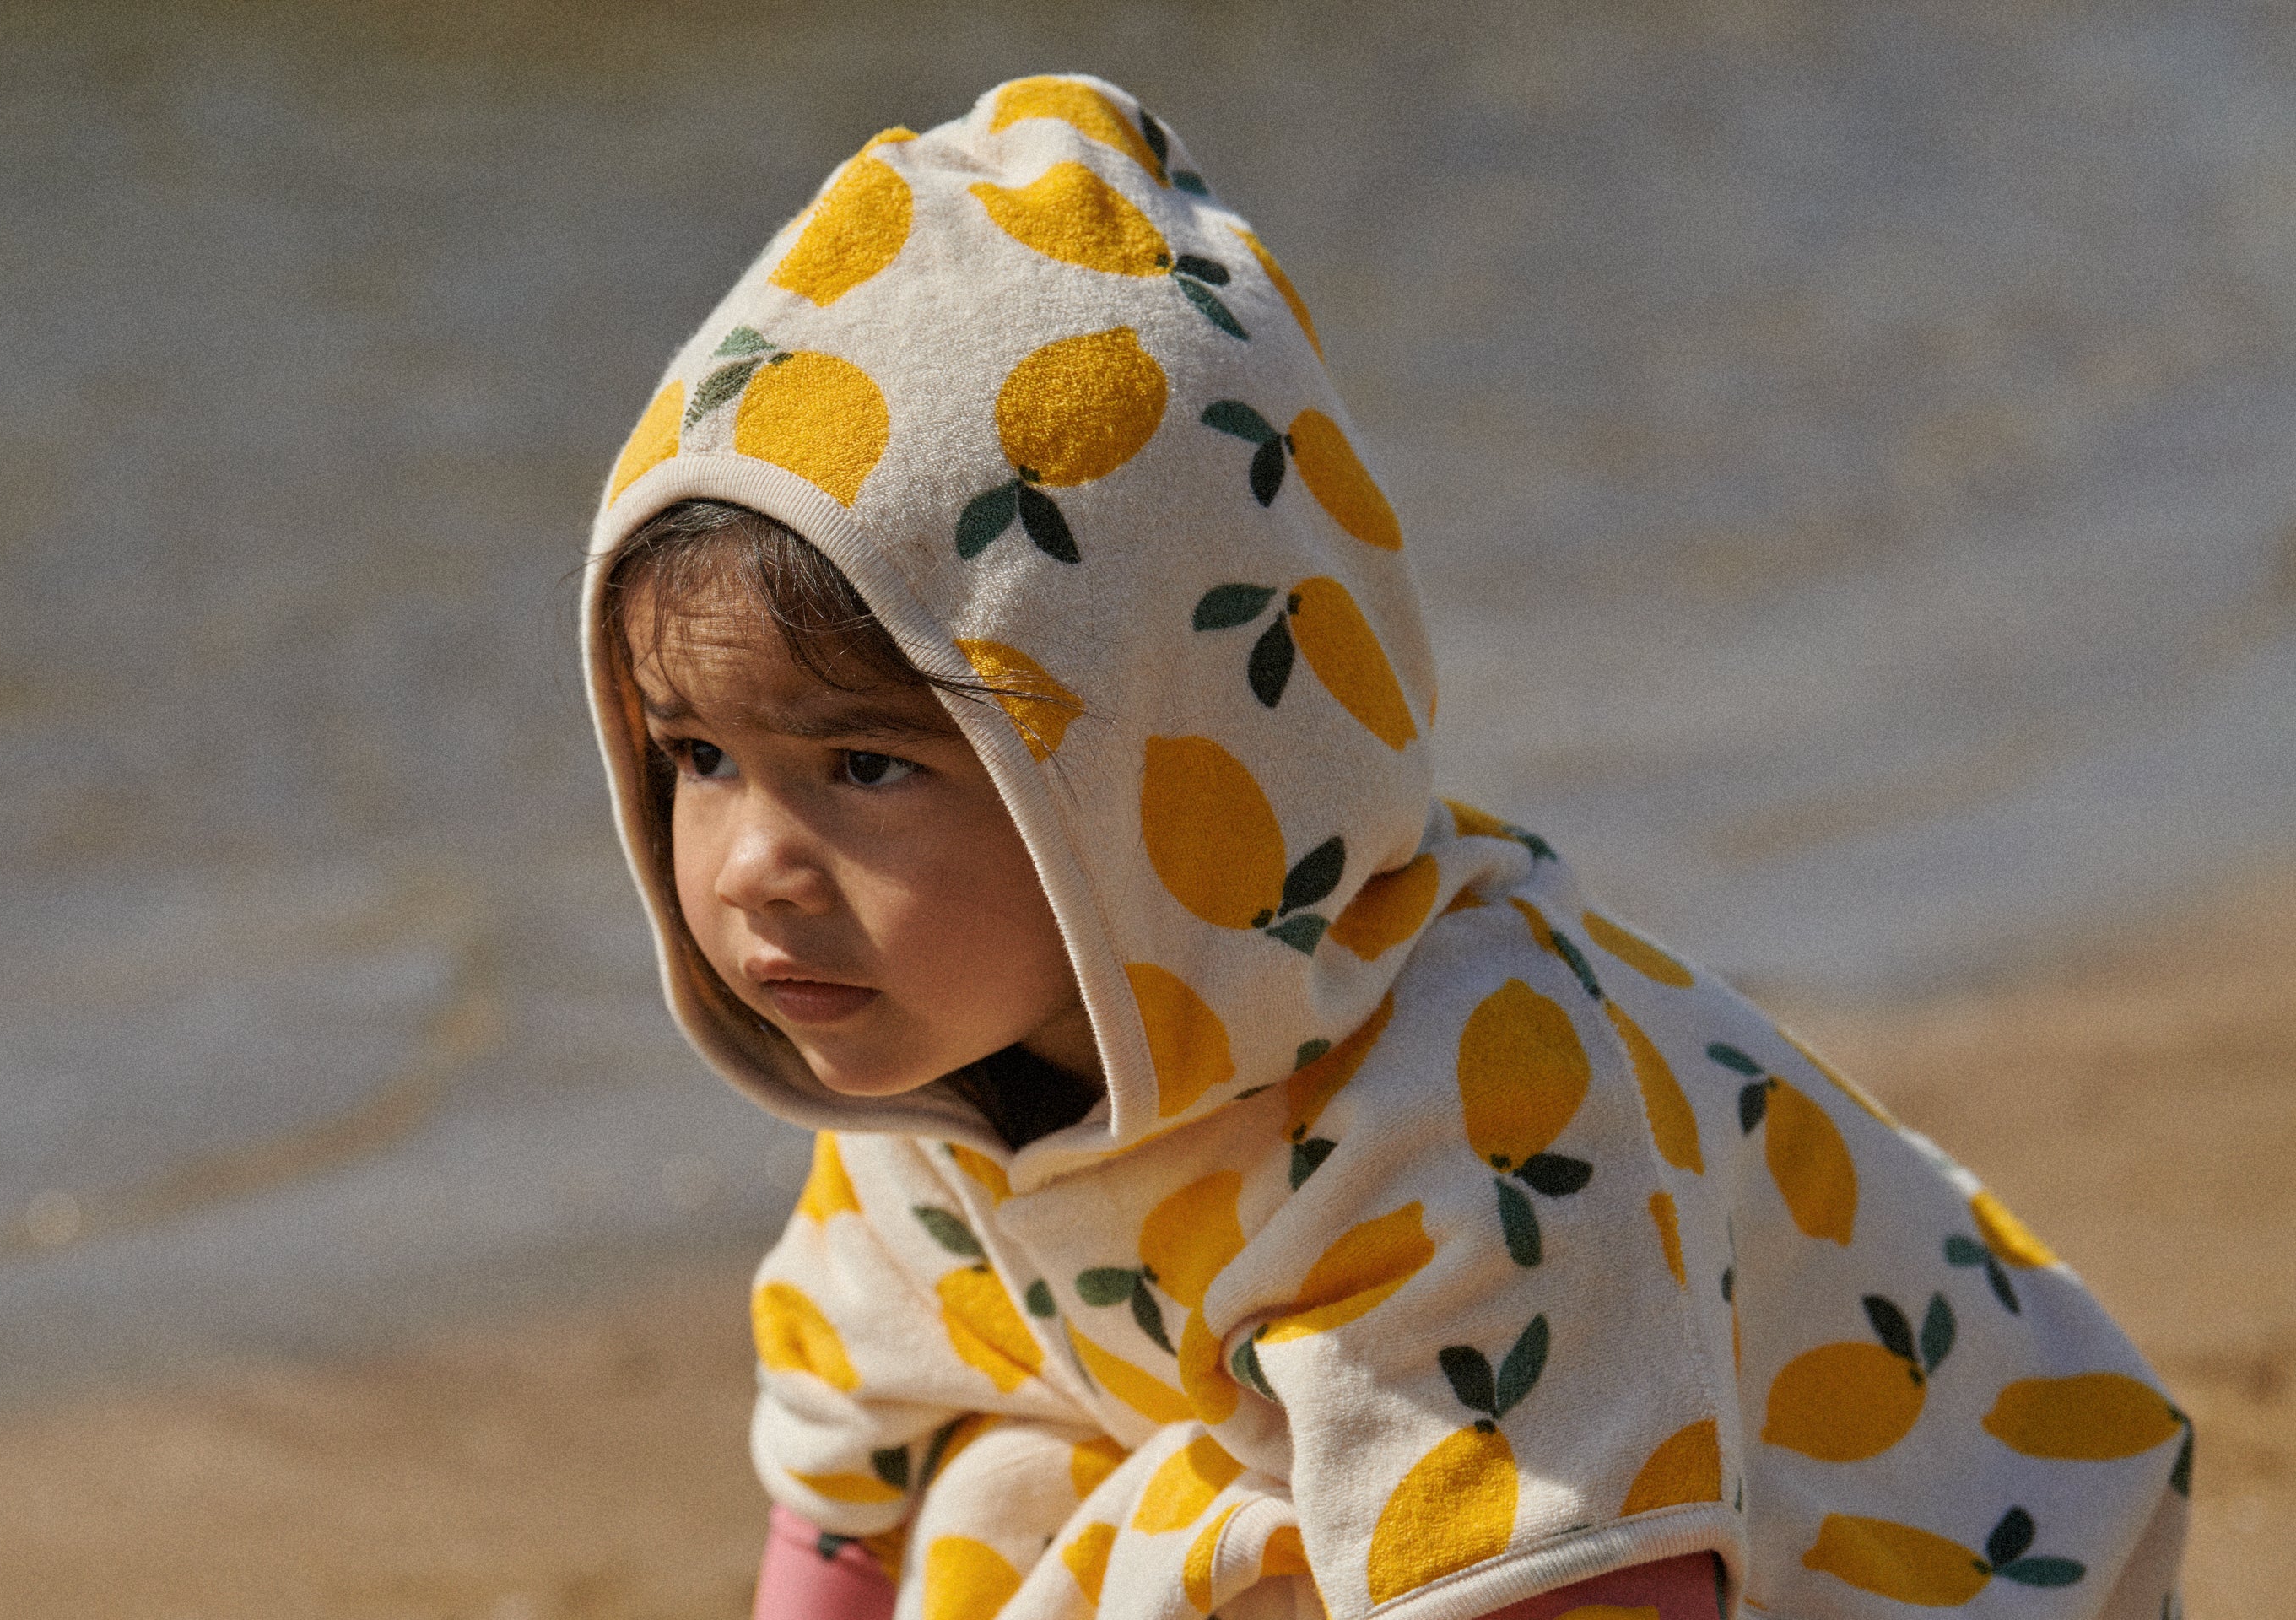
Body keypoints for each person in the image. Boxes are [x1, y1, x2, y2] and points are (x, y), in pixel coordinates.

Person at [581, 75, 2188, 1620]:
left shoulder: (1465, 1103)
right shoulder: (917, 1100)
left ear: (1139, 755)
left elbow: (1592, 1566)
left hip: (1912, 1568)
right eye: (698, 757)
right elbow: (842, 1485)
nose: (749, 868)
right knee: (997, 1491)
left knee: (1261, 1550)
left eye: (865, 765)